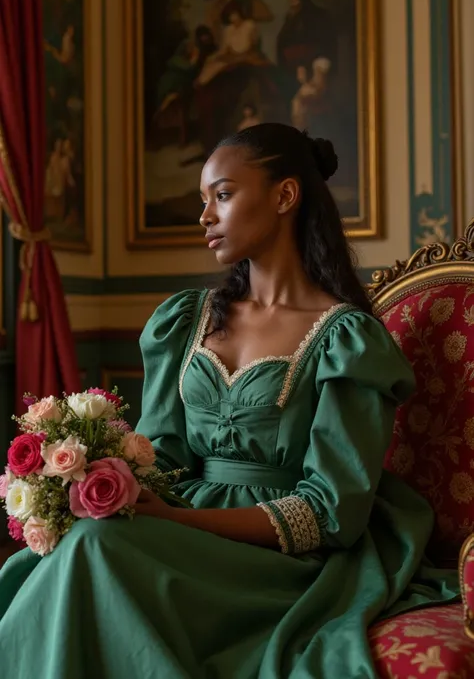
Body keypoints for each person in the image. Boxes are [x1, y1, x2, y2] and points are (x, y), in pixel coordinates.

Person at [0, 123, 459, 678]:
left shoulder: (346, 340)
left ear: (285, 195)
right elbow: (162, 459)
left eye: (222, 194)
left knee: (96, 552)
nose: (205, 216)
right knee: (63, 550)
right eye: (203, 200)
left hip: (280, 558)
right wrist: (98, 484)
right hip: (175, 529)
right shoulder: (186, 320)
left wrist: (176, 522)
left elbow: (333, 513)